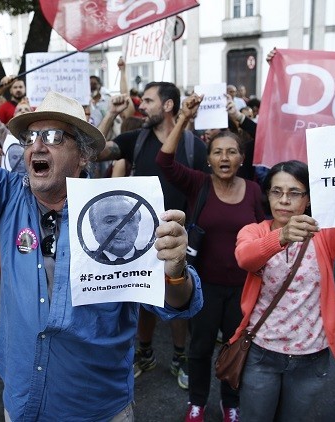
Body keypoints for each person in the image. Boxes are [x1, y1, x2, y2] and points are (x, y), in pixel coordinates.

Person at [0, 23, 202, 421]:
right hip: (22, 401)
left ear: (83, 156)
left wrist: (175, 272)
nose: (37, 145)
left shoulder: (122, 212)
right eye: (31, 137)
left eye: (54, 137)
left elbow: (178, 304)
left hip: (95, 408)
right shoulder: (9, 195)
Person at [232, 149, 335, 421]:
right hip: (262, 353)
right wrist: (280, 237)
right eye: (276, 191)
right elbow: (245, 258)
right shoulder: (254, 231)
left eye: (295, 193)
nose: (284, 200)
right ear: (267, 195)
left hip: (311, 356)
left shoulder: (325, 235)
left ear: (308, 199)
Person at [156, 95, 265, 422]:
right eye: (218, 151)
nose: (225, 157)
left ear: (242, 158)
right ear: (208, 159)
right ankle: (198, 402)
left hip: (243, 288)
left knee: (236, 348)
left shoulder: (255, 190)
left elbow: (263, 232)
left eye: (232, 151)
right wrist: (184, 118)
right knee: (201, 348)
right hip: (204, 287)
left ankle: (230, 403)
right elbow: (164, 162)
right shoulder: (198, 183)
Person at [98, 82, 209, 389]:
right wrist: (110, 115)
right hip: (139, 237)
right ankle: (144, 354)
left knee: (178, 300)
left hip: (178, 239)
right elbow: (93, 152)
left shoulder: (193, 146)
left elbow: (204, 189)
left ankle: (179, 357)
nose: (142, 106)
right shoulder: (136, 139)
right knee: (142, 298)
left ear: (169, 105)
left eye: (148, 101)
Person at [87, 195, 145, 265]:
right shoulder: (82, 265)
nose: (121, 228)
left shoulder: (154, 259)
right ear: (94, 231)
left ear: (138, 224)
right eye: (110, 221)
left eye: (129, 220)